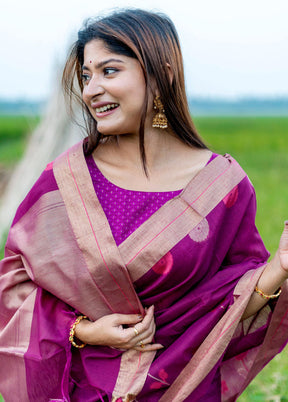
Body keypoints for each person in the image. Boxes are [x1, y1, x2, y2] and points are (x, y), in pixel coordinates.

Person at [0, 8, 288, 402]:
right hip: (81, 389)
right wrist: (83, 330)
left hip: (183, 387)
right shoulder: (66, 182)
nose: (91, 89)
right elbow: (16, 283)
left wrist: (279, 269)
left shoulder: (222, 187)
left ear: (162, 72)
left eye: (110, 71)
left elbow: (233, 306)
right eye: (87, 76)